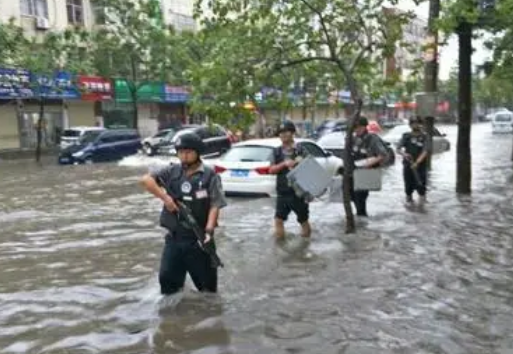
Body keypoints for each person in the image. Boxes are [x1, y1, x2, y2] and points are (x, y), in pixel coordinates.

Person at [139, 132, 227, 295]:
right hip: (174, 239)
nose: (184, 156)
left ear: (197, 152)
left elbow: (215, 204)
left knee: (207, 291)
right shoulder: (171, 171)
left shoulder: (210, 176)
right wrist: (165, 198)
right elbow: (146, 180)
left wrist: (209, 230)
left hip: (199, 239)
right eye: (180, 152)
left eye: (188, 152)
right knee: (167, 283)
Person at [269, 121, 311, 239]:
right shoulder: (276, 152)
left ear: (292, 133)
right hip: (282, 192)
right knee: (278, 220)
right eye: (281, 133)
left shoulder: (301, 149)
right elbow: (271, 170)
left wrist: (298, 162)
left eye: (286, 132)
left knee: (303, 220)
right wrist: (284, 164)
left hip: (299, 193)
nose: (283, 135)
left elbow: (310, 167)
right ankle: (280, 249)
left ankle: (305, 246)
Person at [350, 117, 389, 217]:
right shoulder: (354, 139)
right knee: (353, 196)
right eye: (355, 127)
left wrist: (368, 164)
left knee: (360, 199)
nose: (356, 129)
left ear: (364, 127)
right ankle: (360, 219)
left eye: (358, 127)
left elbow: (382, 155)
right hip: (355, 172)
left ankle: (362, 221)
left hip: (366, 173)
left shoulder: (372, 138)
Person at [396, 116, 432, 204]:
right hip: (408, 165)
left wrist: (417, 163)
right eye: (413, 123)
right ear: (410, 125)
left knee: (421, 188)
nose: (415, 125)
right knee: (408, 188)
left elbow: (425, 151)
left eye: (417, 123)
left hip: (420, 167)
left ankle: (422, 207)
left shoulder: (425, 137)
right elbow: (398, 149)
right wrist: (404, 154)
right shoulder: (406, 136)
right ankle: (409, 205)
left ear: (421, 125)